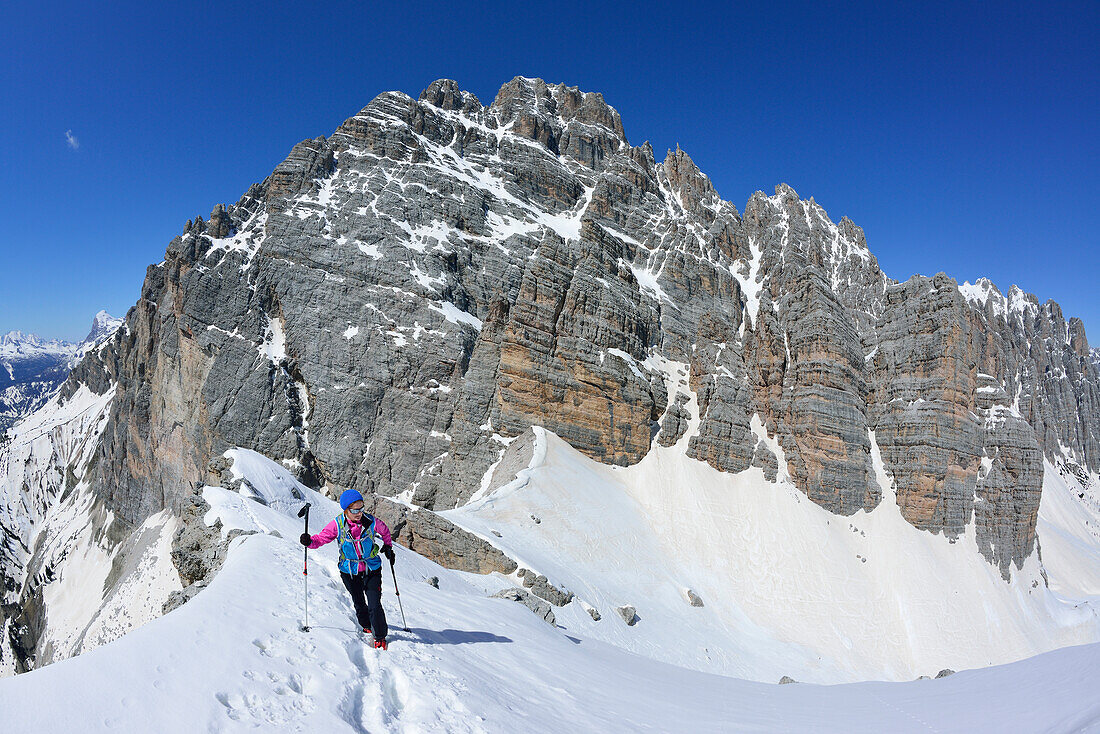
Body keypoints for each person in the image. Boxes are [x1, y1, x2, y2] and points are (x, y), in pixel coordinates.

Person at [300, 489, 396, 649]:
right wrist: (309, 541)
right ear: (346, 510)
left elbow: (385, 531)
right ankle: (366, 624)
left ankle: (379, 636)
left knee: (374, 603)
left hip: (371, 568)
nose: (359, 513)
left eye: (361, 508)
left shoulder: (371, 522)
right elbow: (321, 539)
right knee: (358, 601)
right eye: (355, 510)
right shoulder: (337, 525)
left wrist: (387, 546)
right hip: (349, 571)